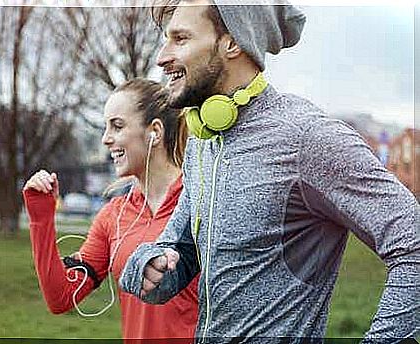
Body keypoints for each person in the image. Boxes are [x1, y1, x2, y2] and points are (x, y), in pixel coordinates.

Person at [119, 1, 420, 343]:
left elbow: (414, 241)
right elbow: (180, 249)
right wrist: (151, 263)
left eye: (180, 38)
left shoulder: (308, 137)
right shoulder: (204, 140)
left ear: (231, 43)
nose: (162, 56)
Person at [22, 78, 199, 341]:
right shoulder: (113, 215)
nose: (106, 139)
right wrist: (41, 218)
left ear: (155, 132)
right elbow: (60, 297)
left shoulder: (201, 201)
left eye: (117, 126)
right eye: (106, 128)